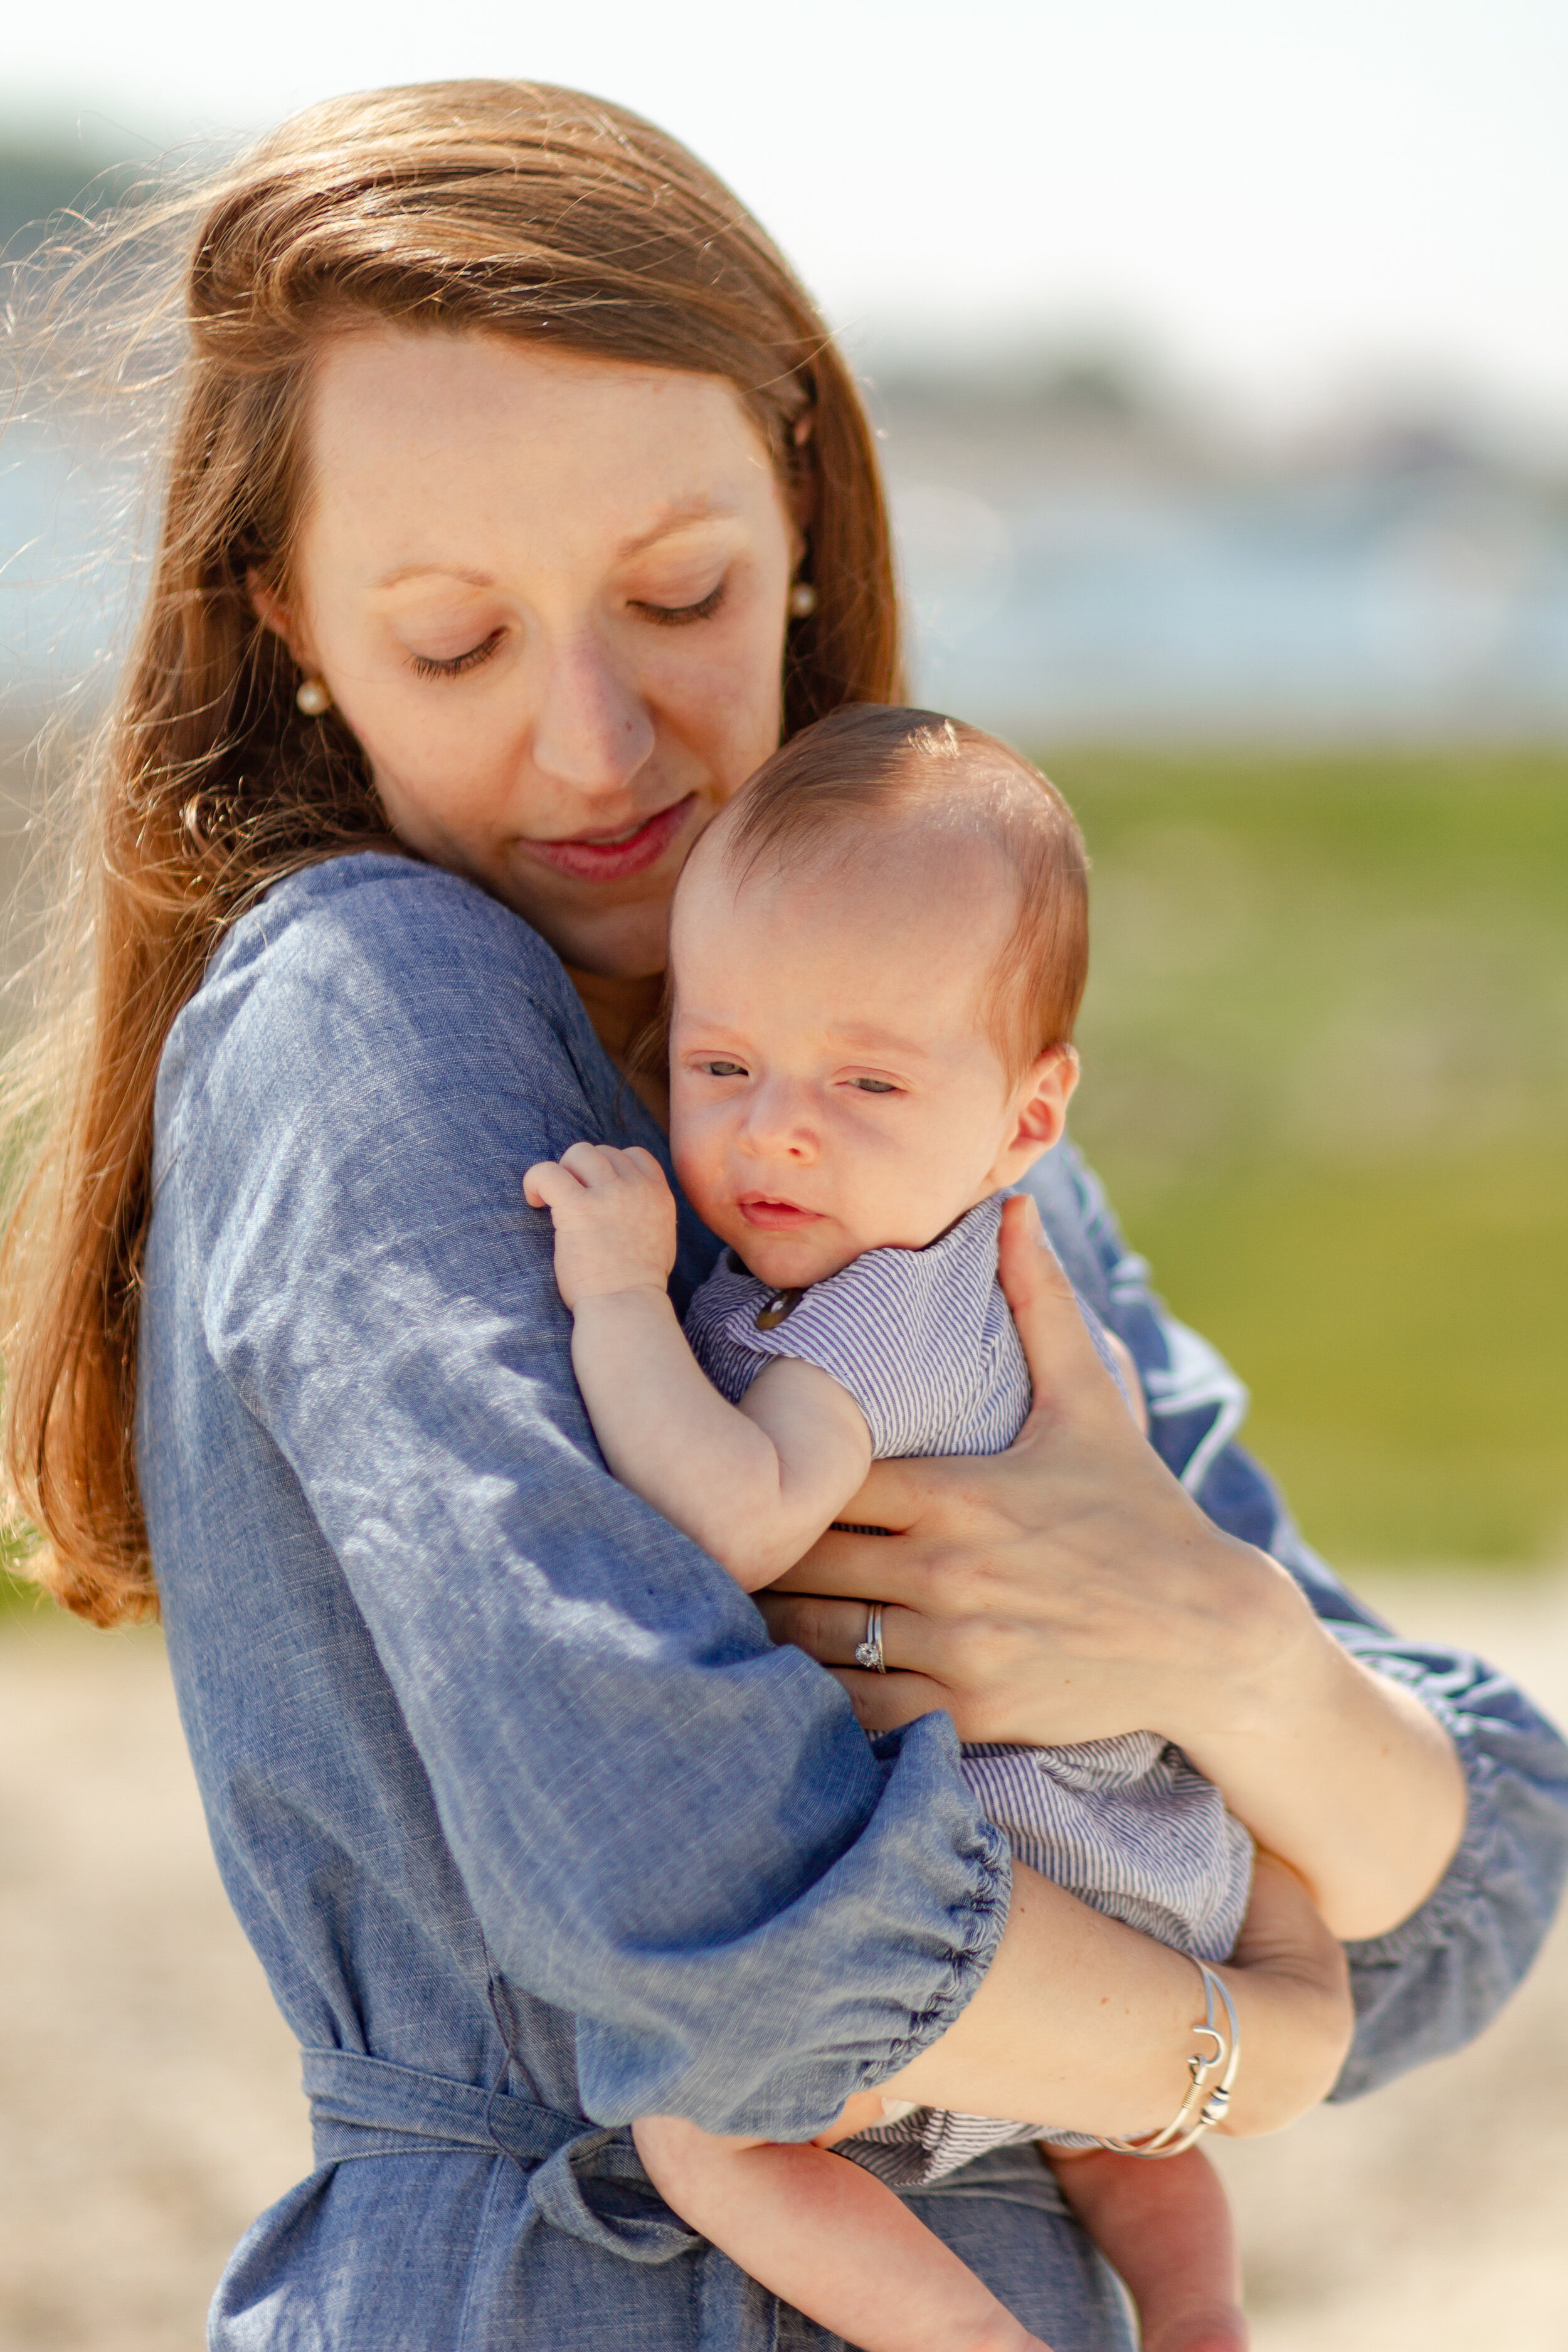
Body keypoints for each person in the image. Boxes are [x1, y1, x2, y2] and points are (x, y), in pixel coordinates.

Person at [1, 82, 1563, 2352]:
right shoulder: (375, 996)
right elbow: (708, 1927)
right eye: (455, 641)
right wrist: (1250, 2041)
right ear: (294, 630)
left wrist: (1210, 1641)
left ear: (807, 517)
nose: (600, 741)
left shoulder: (898, 1111)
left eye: (680, 595)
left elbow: (1483, 1870)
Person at [524, 701, 1259, 2352]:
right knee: (1117, 2140)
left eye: (863, 1078)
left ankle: (969, 2336)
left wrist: (616, 1296)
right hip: (1125, 1855)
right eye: (720, 1066)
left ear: (1023, 1124)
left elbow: (737, 1516)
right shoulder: (932, 1261)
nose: (776, 1126)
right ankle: (1201, 2321)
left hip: (1017, 1864)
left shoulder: (880, 1318)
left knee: (704, 2127)